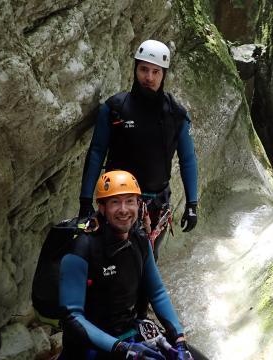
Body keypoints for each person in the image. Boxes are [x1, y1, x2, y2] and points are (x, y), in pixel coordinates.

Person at [59, 170, 205, 360]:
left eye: (129, 201)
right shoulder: (82, 248)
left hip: (129, 335)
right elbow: (72, 317)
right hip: (92, 345)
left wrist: (179, 340)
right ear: (102, 207)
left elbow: (157, 292)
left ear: (138, 204)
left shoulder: (140, 241)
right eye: (115, 202)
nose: (123, 209)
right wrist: (121, 348)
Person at [78, 39, 199, 261]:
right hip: (116, 200)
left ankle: (144, 295)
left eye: (156, 72)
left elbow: (188, 159)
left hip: (156, 203)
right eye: (144, 69)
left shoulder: (177, 115)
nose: (149, 77)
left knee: (147, 259)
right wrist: (85, 201)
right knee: (108, 258)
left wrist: (192, 204)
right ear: (135, 69)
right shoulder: (115, 108)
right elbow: (96, 152)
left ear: (164, 75)